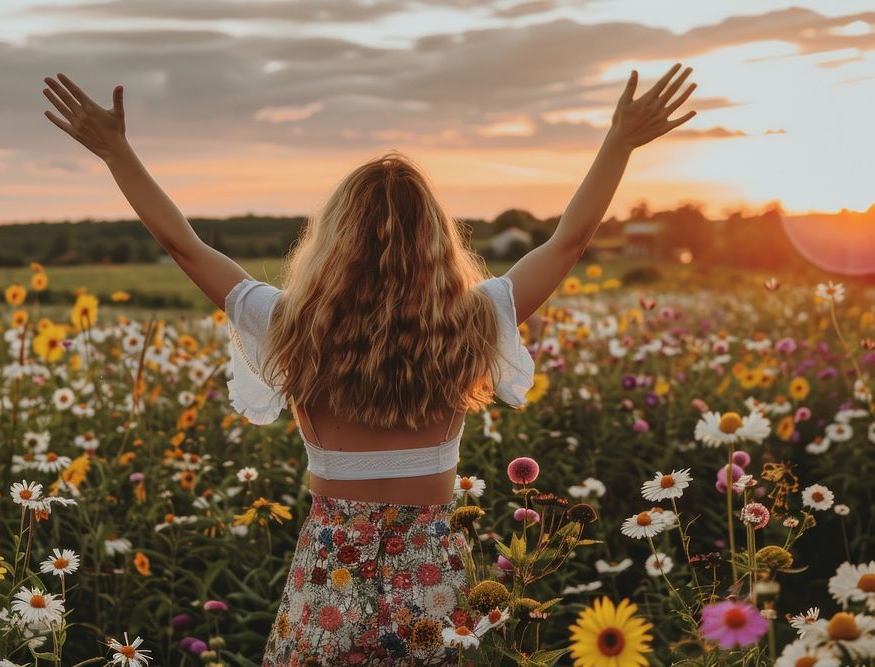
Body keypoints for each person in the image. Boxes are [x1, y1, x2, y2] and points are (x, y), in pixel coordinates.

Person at [41, 62, 697, 664]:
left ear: (334, 239)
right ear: (437, 240)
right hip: (433, 571)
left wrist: (116, 152)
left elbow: (184, 246)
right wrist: (619, 140)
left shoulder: (291, 324)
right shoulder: (470, 321)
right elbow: (571, 239)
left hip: (328, 573)